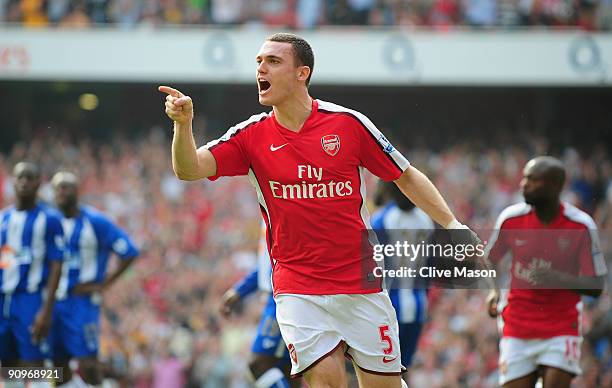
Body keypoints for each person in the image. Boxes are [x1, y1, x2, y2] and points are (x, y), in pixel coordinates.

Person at [159, 32, 479, 388]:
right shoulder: (250, 136)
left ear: (302, 73)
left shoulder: (348, 124)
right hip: (298, 286)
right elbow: (189, 169)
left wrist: (451, 223)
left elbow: (404, 175)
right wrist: (182, 125)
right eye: (258, 62)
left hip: (360, 283)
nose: (261, 68)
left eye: (273, 61)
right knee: (324, 383)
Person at [485, 156, 607, 388]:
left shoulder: (580, 225)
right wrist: (493, 292)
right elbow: (489, 261)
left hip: (561, 328)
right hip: (517, 326)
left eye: (533, 179)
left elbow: (597, 285)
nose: (524, 184)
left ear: (554, 186)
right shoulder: (511, 219)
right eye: (524, 178)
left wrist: (556, 279)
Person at [49, 171, 139, 388]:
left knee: (88, 364)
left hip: (82, 302)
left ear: (77, 191)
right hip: (53, 301)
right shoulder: (49, 222)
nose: (61, 192)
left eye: (66, 187)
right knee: (58, 366)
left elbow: (129, 252)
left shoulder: (95, 222)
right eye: (57, 188)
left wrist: (104, 284)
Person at [0, 162, 64, 388]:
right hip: (4, 299)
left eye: (30, 178)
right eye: (20, 177)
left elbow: (57, 263)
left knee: (34, 364)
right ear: (13, 182)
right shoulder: (3, 219)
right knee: (6, 364)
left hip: (31, 298)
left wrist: (46, 310)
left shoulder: (50, 219)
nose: (24, 182)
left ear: (38, 183)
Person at [220, 223, 298, 388]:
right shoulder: (267, 208)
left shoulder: (280, 203)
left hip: (284, 298)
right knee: (287, 370)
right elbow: (269, 261)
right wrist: (241, 290)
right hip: (280, 295)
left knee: (258, 365)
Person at [371, 183, 435, 385]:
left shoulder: (382, 220)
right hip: (416, 306)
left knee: (383, 367)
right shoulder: (426, 220)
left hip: (390, 307)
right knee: (401, 367)